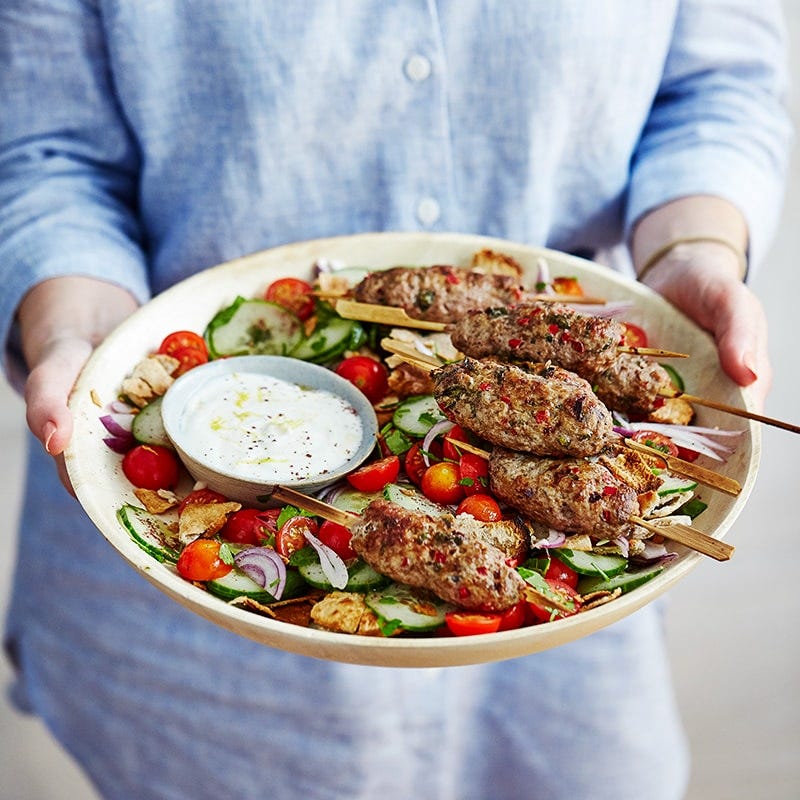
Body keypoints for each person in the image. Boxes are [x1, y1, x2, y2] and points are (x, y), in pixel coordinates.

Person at [0, 3, 791, 799]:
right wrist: (80, 329)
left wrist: (692, 249)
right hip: (183, 652)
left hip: (565, 671)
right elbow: (47, 150)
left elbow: (716, 85)